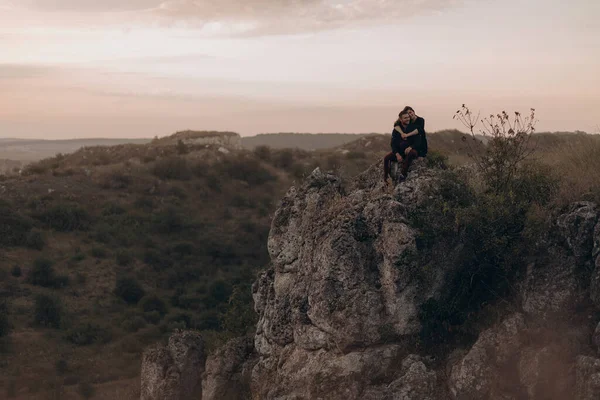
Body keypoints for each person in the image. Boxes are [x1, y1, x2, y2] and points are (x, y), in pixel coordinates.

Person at [383, 111, 412, 184]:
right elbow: (393, 144)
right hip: (399, 151)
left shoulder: (412, 127)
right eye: (405, 118)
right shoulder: (396, 129)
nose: (408, 119)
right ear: (400, 119)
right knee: (386, 158)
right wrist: (397, 154)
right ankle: (386, 179)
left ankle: (403, 175)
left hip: (409, 151)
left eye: (408, 117)